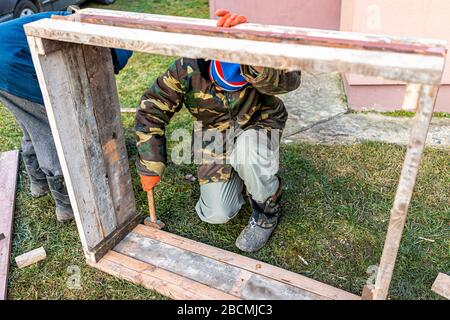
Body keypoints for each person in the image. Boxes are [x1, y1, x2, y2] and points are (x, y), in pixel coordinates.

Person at [136, 9, 301, 253]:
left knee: (248, 153)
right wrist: (150, 164)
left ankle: (267, 211)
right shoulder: (187, 67)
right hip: (215, 136)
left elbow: (290, 80)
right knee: (216, 213)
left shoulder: (257, 55)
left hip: (259, 123)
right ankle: (247, 178)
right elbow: (151, 110)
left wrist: (252, 46)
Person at [0, 11, 132, 223]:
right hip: (13, 63)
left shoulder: (71, 20)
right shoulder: (75, 29)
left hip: (5, 61)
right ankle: (65, 205)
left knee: (30, 120)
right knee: (50, 126)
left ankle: (38, 183)